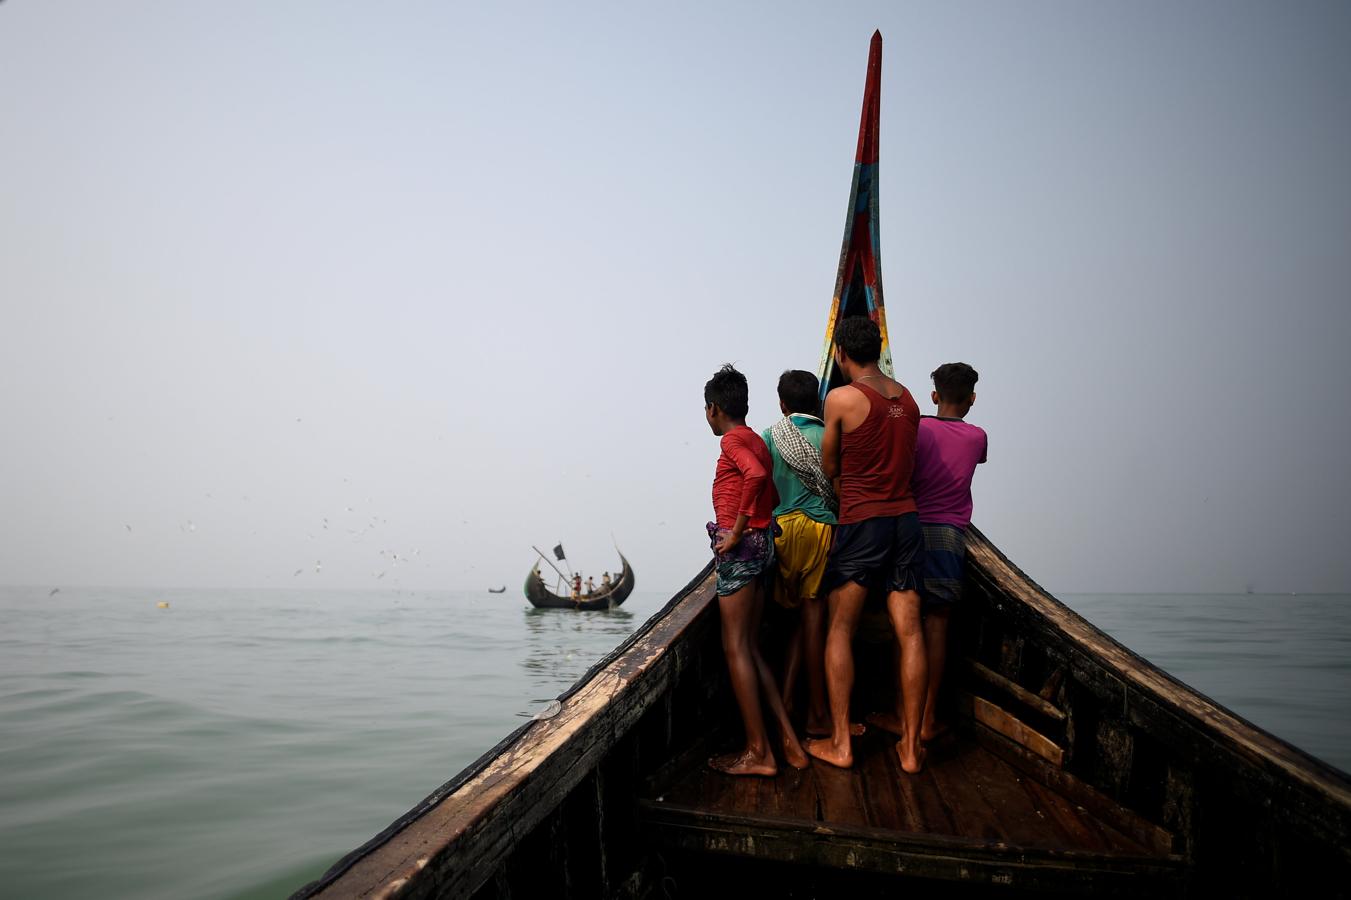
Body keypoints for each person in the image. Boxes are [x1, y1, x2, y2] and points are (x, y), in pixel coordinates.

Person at [804, 316, 926, 774]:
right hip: (906, 522)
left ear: (841, 355)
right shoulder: (909, 399)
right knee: (910, 633)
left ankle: (840, 743)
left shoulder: (840, 398)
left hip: (862, 523)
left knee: (840, 629)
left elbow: (830, 463)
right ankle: (912, 751)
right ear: (878, 350)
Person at [704, 364, 807, 776]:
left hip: (742, 549)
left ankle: (758, 753)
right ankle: (787, 741)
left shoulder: (732, 441)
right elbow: (774, 489)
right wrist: (758, 524)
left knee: (735, 649)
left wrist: (736, 532)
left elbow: (757, 476)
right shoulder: (756, 438)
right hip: (763, 548)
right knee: (751, 648)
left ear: (714, 409)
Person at [909, 362, 986, 741]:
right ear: (972, 399)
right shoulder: (978, 437)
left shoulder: (918, 429)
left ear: (934, 395)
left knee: (907, 628)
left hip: (909, 530)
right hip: (949, 537)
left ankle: (903, 717)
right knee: (937, 626)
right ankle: (926, 721)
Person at [760, 370, 837, 737]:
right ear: (817, 402)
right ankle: (816, 713)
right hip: (820, 530)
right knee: (813, 622)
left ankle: (789, 704)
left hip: (781, 532)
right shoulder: (828, 436)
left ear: (782, 403)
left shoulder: (770, 436)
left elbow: (762, 489)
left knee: (792, 623)